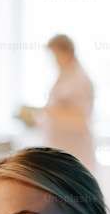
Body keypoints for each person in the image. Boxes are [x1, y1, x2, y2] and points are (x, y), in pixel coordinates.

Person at [18, 34, 97, 173]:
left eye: (55, 54)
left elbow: (81, 118)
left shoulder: (79, 80)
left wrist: (50, 111)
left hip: (75, 149)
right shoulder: (64, 75)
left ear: (66, 52)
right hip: (60, 147)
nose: (54, 60)